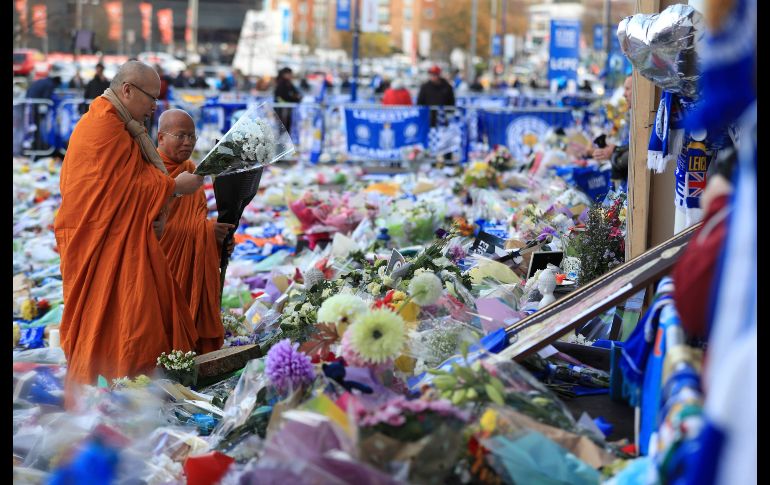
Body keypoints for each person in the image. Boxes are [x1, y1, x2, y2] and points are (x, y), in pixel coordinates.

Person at [54, 61, 204, 387]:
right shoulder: (102, 126)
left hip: (122, 238)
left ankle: (129, 381)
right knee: (125, 322)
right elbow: (119, 190)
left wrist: (154, 210)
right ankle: (110, 381)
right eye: (151, 97)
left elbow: (130, 182)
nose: (154, 106)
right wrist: (175, 186)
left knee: (139, 316)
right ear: (127, 90)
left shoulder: (122, 125)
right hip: (98, 240)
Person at [157, 109, 234, 354]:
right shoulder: (152, 173)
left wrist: (217, 240)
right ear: (161, 138)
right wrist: (207, 232)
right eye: (180, 136)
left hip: (191, 266)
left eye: (192, 136)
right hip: (162, 272)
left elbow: (196, 219)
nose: (188, 142)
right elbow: (154, 230)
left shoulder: (191, 170)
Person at [592, 75, 633, 184]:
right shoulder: (629, 117)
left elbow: (636, 153)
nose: (624, 94)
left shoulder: (642, 120)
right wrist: (610, 150)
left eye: (628, 89)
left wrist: (615, 151)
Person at [274, 67, 301, 134]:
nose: (291, 75)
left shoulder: (289, 84)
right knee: (282, 130)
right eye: (289, 74)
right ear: (284, 74)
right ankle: (282, 144)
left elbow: (297, 94)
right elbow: (282, 97)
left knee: (287, 129)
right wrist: (293, 98)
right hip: (282, 111)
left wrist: (295, 98)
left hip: (288, 110)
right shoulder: (281, 84)